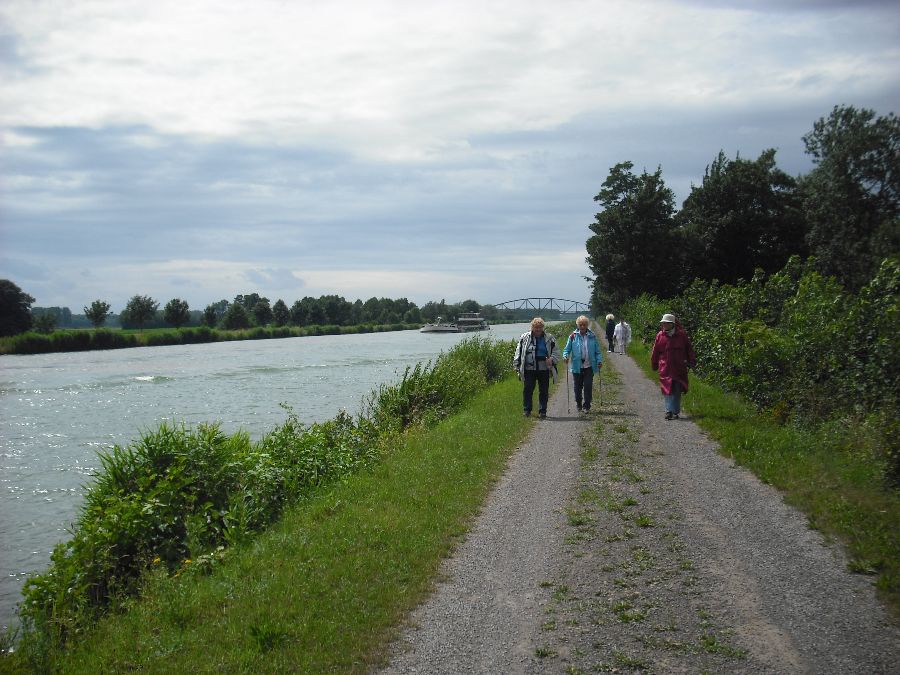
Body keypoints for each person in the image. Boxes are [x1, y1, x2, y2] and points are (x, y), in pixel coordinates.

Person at [650, 313, 696, 420]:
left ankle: (675, 411)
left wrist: (692, 360)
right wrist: (654, 363)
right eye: (663, 323)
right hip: (665, 367)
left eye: (666, 323)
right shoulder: (660, 335)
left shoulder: (682, 335)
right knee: (667, 390)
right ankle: (668, 411)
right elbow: (655, 351)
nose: (664, 325)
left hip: (679, 367)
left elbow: (689, 349)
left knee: (676, 390)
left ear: (672, 324)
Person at [513, 317, 560, 418]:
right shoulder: (524, 337)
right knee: (528, 389)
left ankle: (542, 411)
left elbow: (556, 352)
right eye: (536, 327)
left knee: (543, 390)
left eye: (540, 327)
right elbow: (519, 351)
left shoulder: (550, 338)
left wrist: (551, 359)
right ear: (532, 327)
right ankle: (527, 410)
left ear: (543, 327)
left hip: (544, 368)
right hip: (529, 368)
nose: (538, 329)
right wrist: (516, 364)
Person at [563, 315, 602, 413]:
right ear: (578, 325)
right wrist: (566, 356)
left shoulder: (592, 336)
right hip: (577, 367)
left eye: (584, 325)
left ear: (587, 325)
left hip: (589, 366)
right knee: (577, 387)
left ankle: (587, 406)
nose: (583, 327)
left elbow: (597, 351)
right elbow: (566, 350)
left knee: (588, 386)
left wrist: (599, 360)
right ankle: (579, 403)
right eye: (581, 325)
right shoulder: (573, 336)